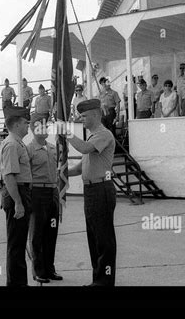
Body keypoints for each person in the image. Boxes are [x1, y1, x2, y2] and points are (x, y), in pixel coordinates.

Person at [67, 99, 116, 286]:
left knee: (103, 238)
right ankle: (98, 279)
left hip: (101, 189)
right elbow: (82, 166)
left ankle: (104, 281)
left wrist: (67, 133)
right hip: (91, 190)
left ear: (96, 115)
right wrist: (64, 172)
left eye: (85, 116)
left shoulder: (103, 135)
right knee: (94, 236)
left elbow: (84, 149)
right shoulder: (92, 136)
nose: (82, 119)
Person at [27, 113, 62, 284]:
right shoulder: (29, 150)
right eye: (43, 125)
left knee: (51, 233)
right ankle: (38, 270)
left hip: (52, 194)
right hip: (37, 194)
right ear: (34, 128)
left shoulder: (53, 147)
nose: (47, 128)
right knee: (37, 234)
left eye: (47, 125)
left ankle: (50, 268)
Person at [0, 106, 31, 286]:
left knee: (19, 244)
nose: (28, 126)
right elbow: (9, 176)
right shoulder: (12, 144)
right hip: (16, 194)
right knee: (16, 246)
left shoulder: (17, 143)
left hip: (21, 192)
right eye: (26, 123)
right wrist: (18, 203)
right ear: (18, 124)